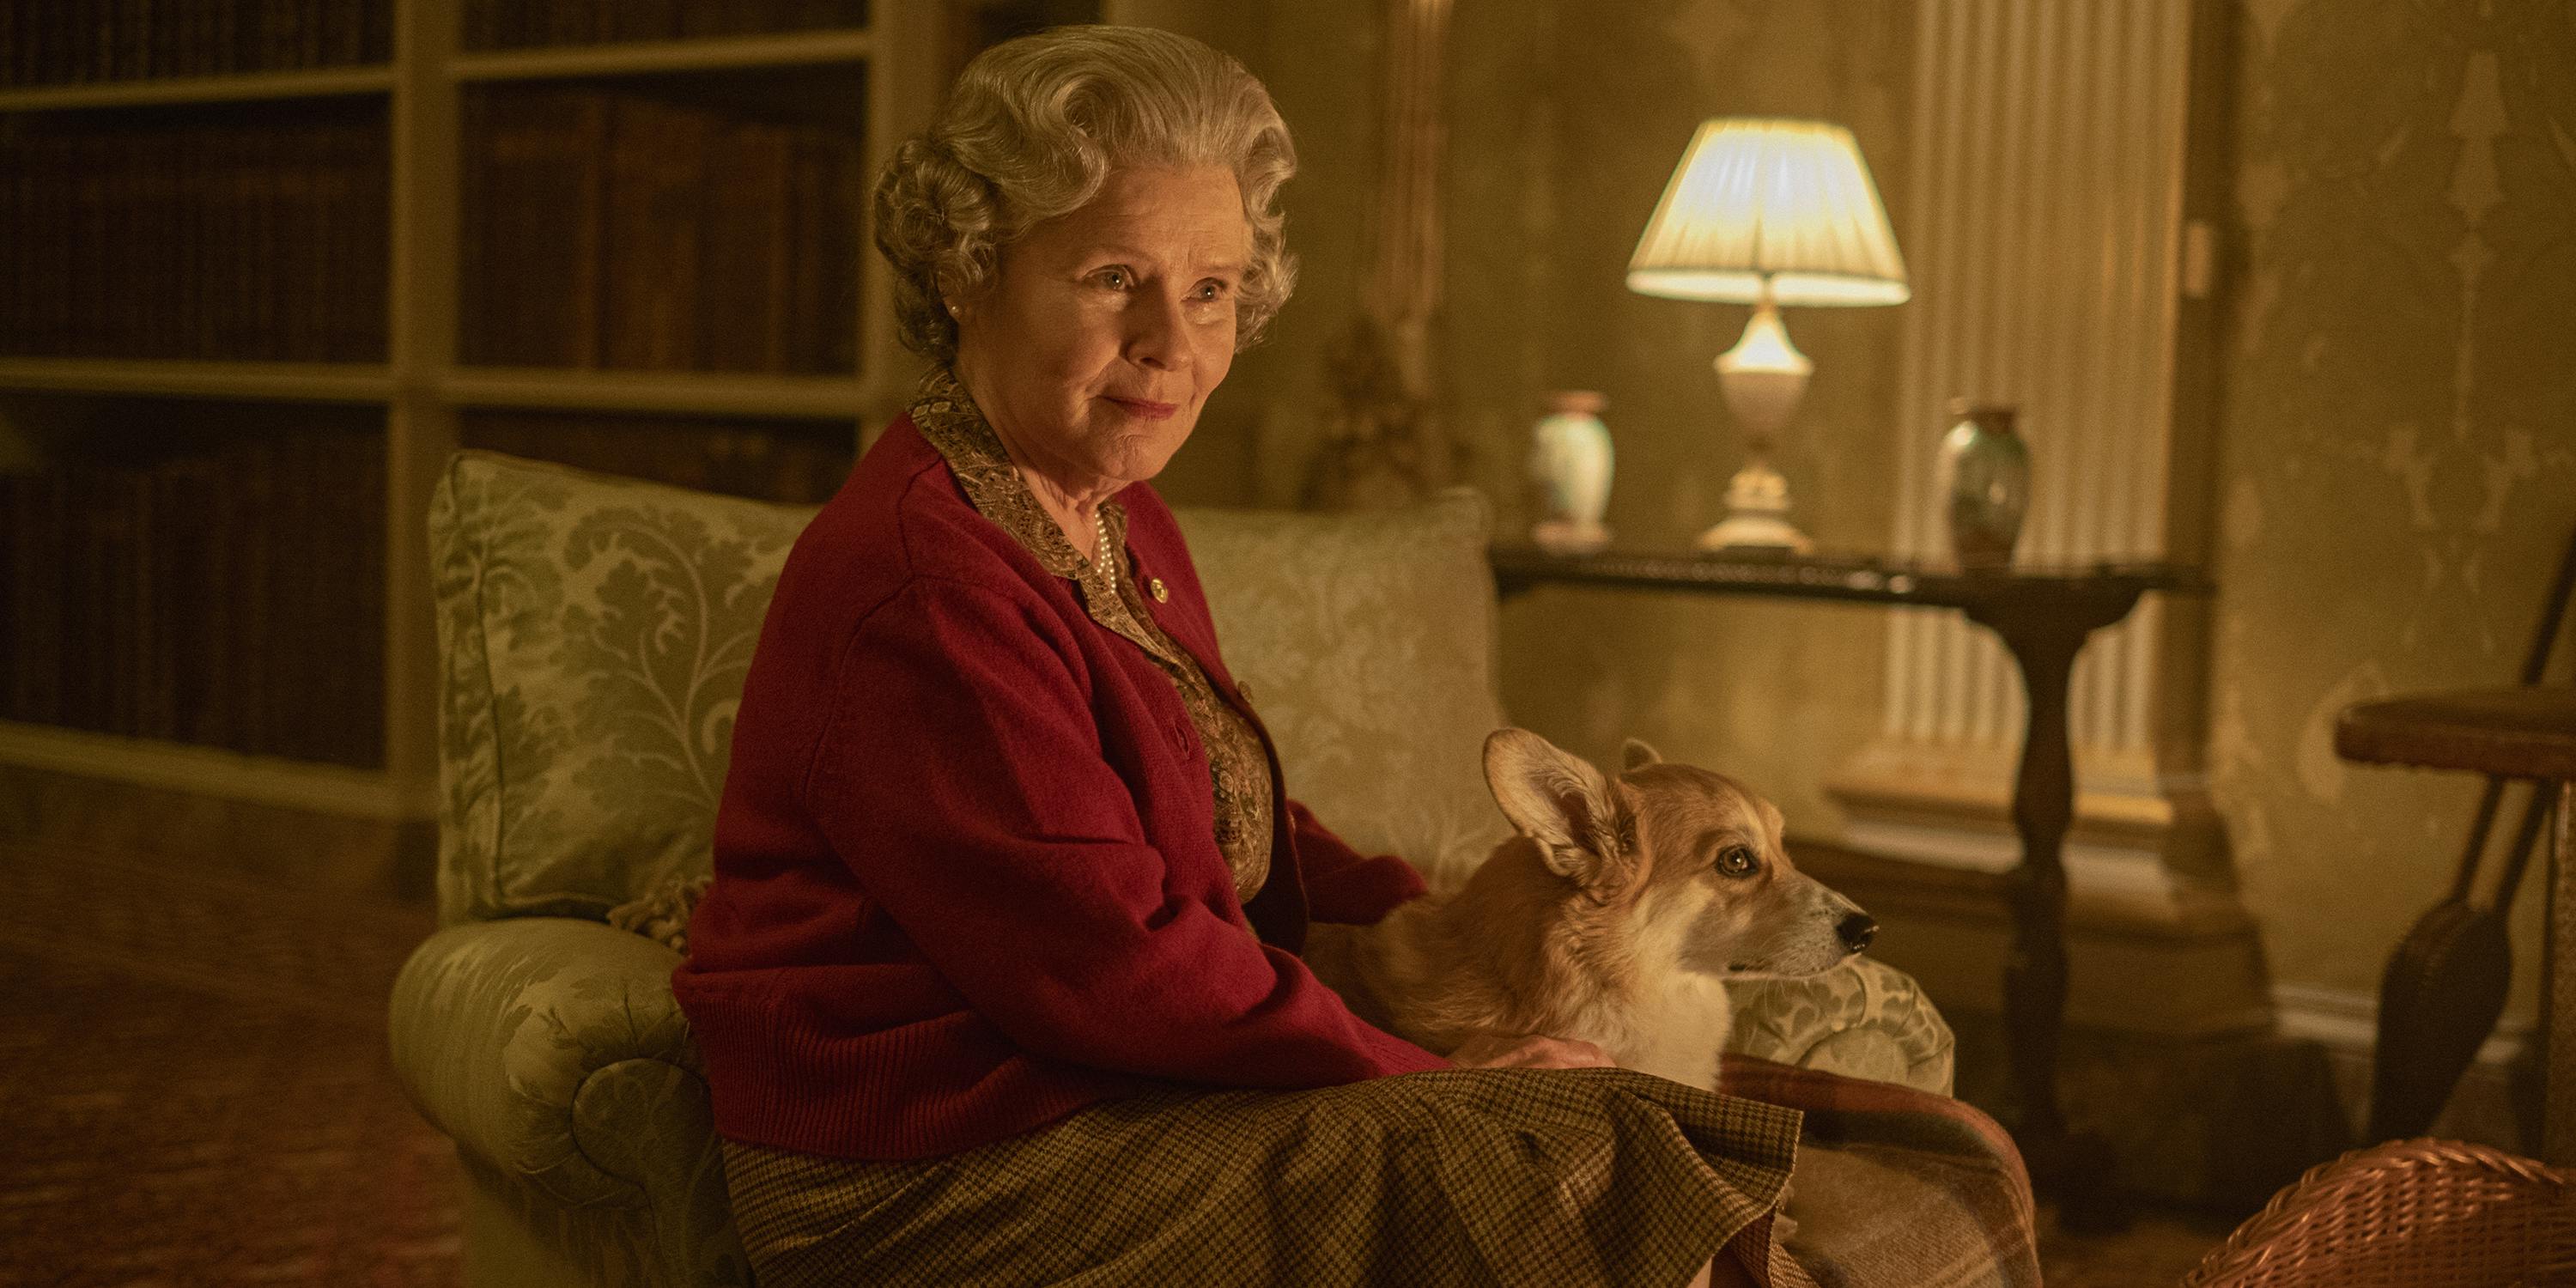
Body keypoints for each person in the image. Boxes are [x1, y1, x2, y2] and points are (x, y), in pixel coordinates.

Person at [671, 25, 1801, 1287]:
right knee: (1573, 1164)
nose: (1173, 341)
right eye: (1114, 278)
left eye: (1211, 289)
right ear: (967, 272)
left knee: (1778, 1136)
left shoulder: (1107, 513)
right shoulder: (929, 583)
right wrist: (1435, 1072)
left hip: (1107, 1084)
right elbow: (1114, 961)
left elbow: (1210, 812)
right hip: (941, 1161)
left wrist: (1429, 924)